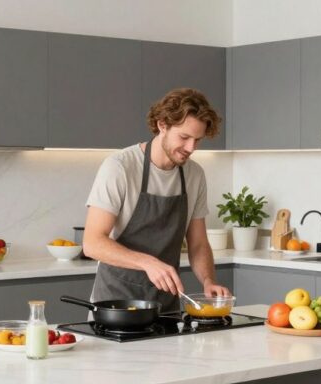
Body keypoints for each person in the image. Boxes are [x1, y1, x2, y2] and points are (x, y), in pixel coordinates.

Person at [83, 88, 231, 314]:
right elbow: (92, 243)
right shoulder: (120, 167)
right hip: (115, 305)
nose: (191, 148)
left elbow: (198, 243)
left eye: (197, 140)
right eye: (184, 137)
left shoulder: (194, 175)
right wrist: (147, 263)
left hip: (165, 306)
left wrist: (208, 280)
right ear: (162, 125)